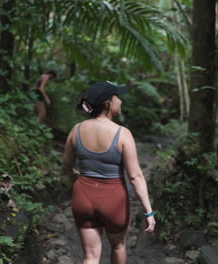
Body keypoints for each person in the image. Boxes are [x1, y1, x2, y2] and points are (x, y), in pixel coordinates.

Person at [62, 81, 156, 264]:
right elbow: (135, 177)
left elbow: (65, 167)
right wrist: (148, 211)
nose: (120, 101)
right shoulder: (122, 134)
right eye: (117, 97)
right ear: (108, 104)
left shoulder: (77, 130)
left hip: (83, 197)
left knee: (90, 256)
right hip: (113, 199)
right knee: (118, 246)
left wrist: (78, 178)